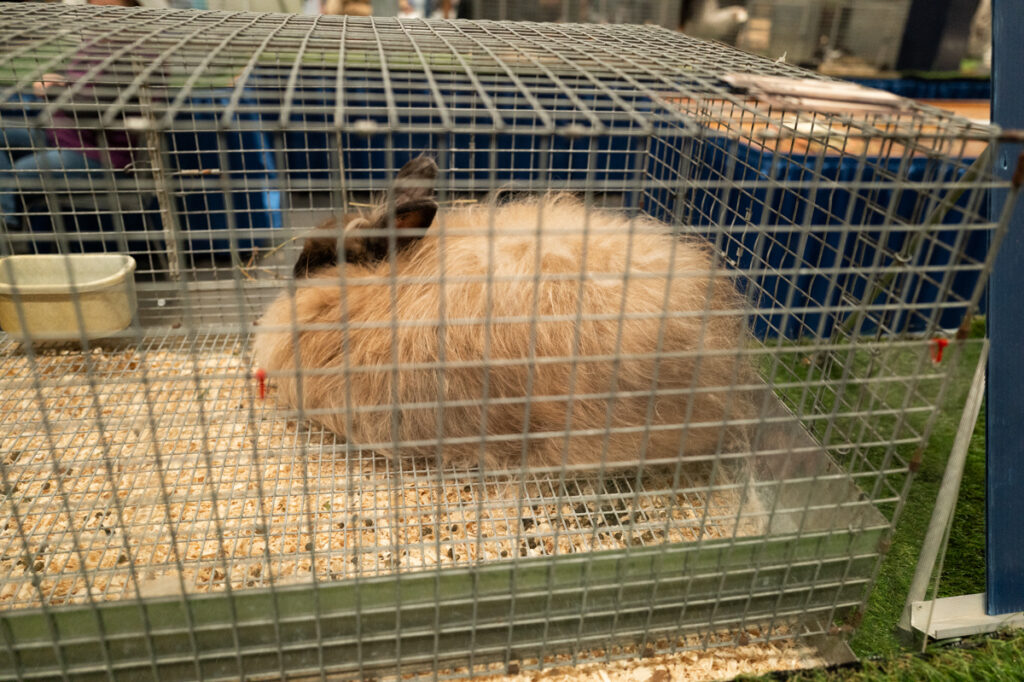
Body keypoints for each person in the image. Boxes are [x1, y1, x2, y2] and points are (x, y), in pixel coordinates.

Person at [0, 0, 140, 238]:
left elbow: (94, 110)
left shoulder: (134, 59)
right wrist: (59, 79)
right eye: (95, 10)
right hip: (61, 136)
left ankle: (8, 224)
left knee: (18, 174)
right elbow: (80, 87)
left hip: (97, 154)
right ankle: (8, 214)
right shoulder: (92, 49)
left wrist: (53, 90)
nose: (99, 17)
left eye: (109, 11)